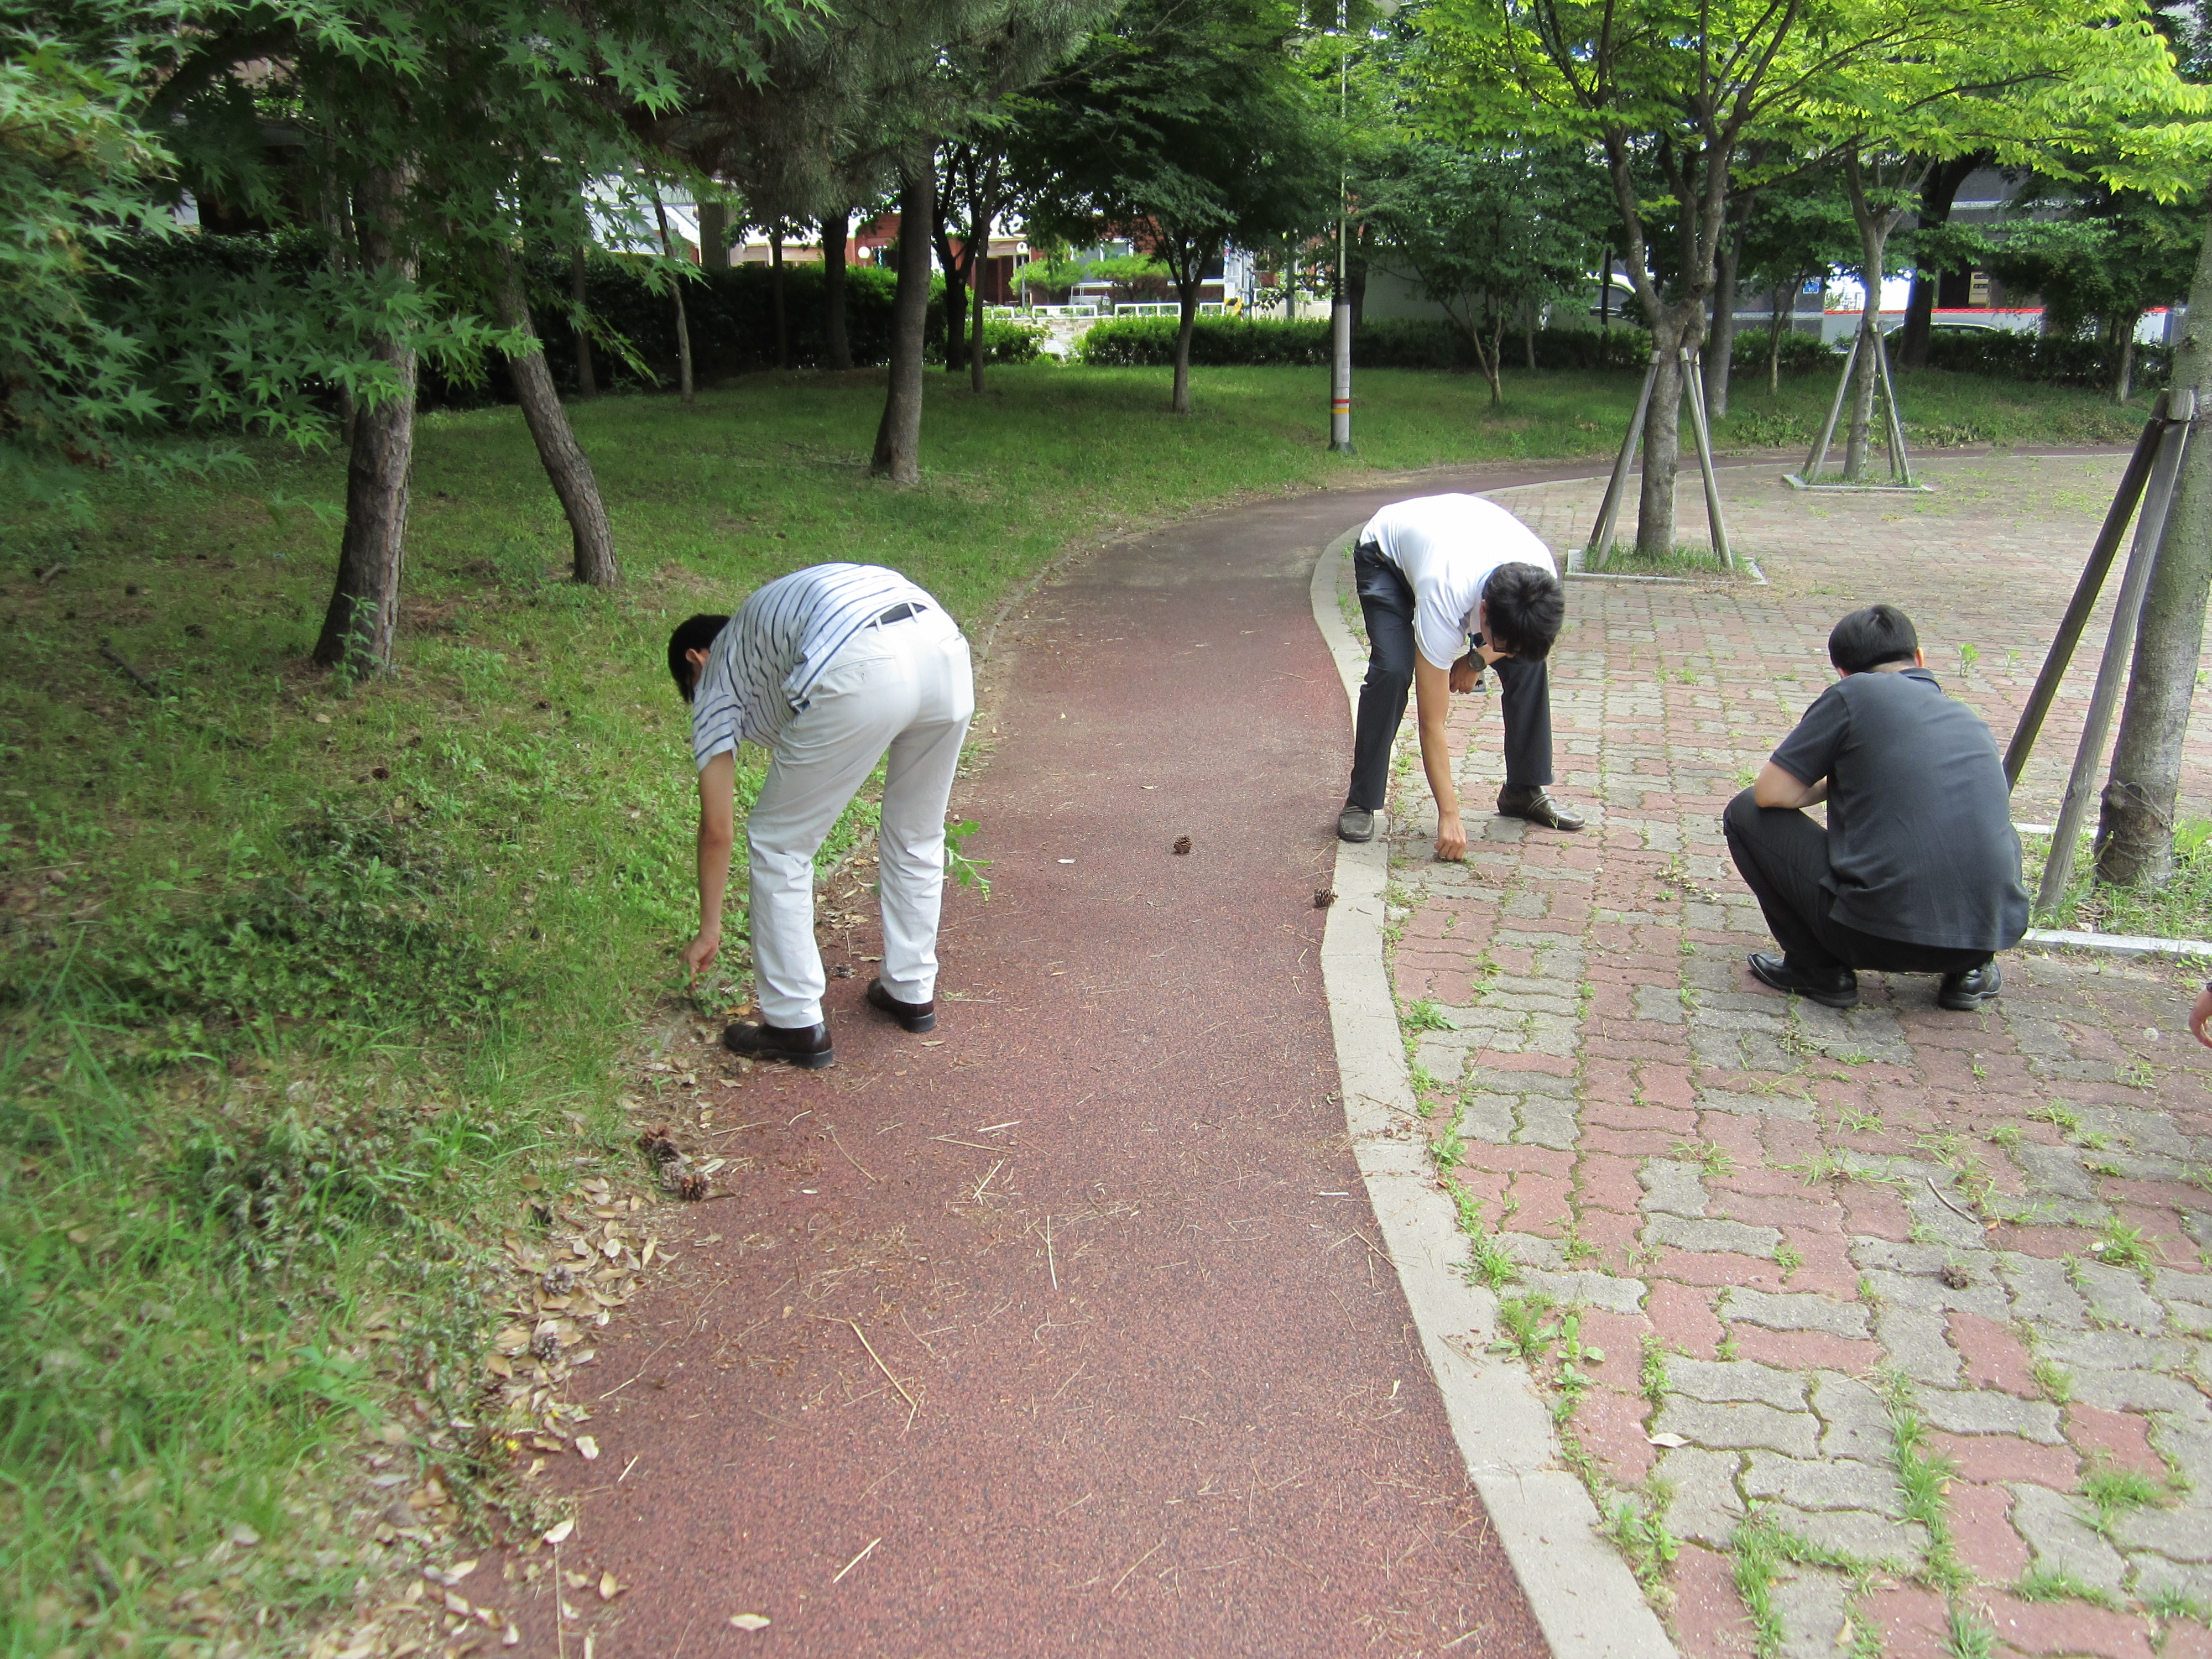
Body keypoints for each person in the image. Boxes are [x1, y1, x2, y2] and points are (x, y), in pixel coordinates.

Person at [669, 564, 974, 1068]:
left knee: (779, 843)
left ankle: (793, 1025)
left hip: (861, 658)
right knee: (917, 832)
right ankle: (910, 989)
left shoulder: (715, 673)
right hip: (943, 646)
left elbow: (716, 831)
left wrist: (709, 929)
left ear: (695, 658)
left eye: (689, 687)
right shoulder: (763, 630)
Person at [1724, 604, 2027, 1013]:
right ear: (1919, 659)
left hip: (1872, 937)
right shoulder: (1969, 719)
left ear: (1843, 673)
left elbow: (1770, 793)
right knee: (1982, 819)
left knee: (1745, 812)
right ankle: (1969, 976)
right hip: (1982, 938)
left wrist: (1840, 778)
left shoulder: (1855, 694)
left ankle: (1818, 970)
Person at [1339, 493, 1581, 858]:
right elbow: (1432, 721)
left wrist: (1476, 661)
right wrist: (1449, 814)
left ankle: (1523, 789)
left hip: (1454, 539)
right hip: (1386, 554)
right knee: (1393, 670)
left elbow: (1520, 643)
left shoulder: (1540, 580)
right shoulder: (1445, 592)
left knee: (1529, 663)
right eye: (1496, 641)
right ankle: (1362, 799)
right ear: (1482, 612)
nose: (1502, 650)